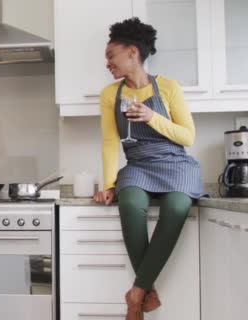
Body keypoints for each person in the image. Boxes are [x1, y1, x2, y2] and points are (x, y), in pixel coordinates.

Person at [92, 17, 202, 320]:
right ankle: (146, 291)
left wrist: (152, 117)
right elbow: (111, 142)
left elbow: (188, 136)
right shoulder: (109, 95)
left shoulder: (168, 87)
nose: (107, 63)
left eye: (110, 55)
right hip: (138, 164)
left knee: (178, 206)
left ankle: (137, 293)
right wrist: (109, 183)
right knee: (128, 203)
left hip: (175, 163)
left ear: (132, 52)